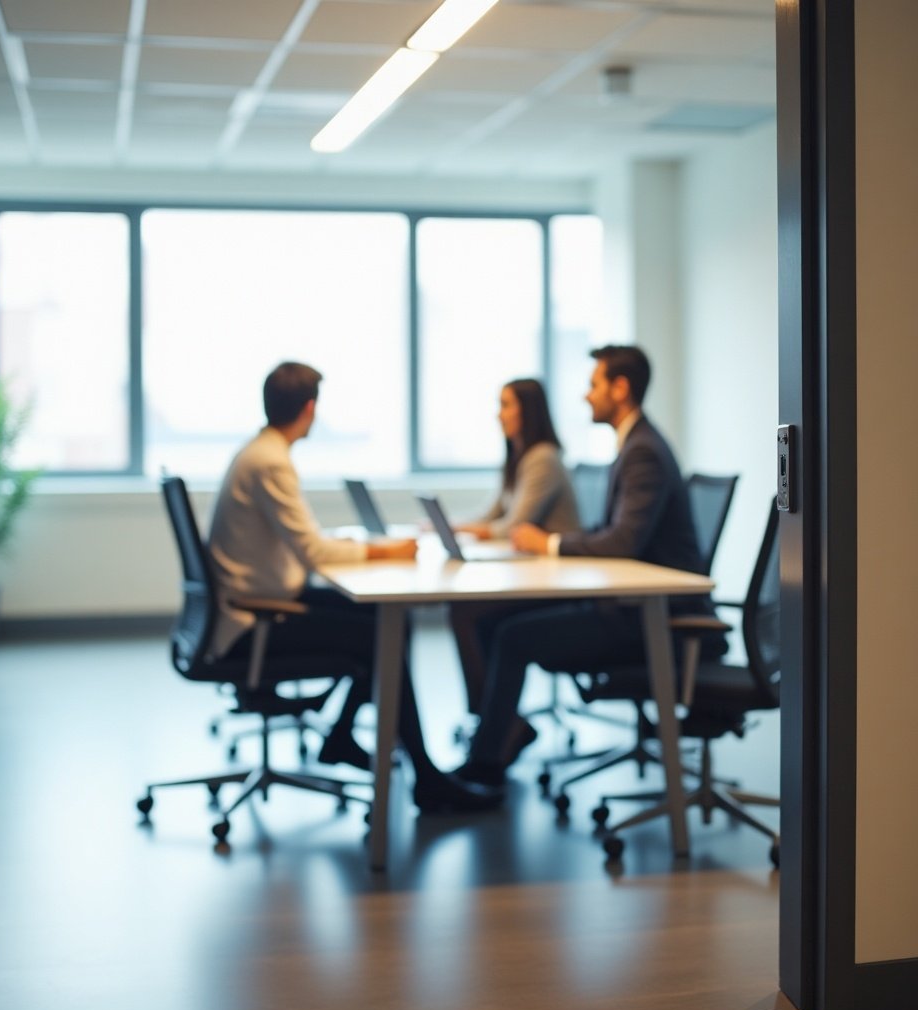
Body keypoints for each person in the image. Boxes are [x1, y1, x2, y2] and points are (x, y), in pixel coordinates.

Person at [207, 361, 499, 813]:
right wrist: (386, 553)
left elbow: (304, 546)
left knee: (384, 620)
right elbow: (314, 555)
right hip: (254, 621)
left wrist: (350, 546)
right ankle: (424, 776)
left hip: (261, 602)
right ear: (309, 408)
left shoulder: (259, 452)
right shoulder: (270, 461)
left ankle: (344, 737)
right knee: (380, 632)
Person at [452, 344, 726, 792]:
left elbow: (622, 541)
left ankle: (486, 763)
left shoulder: (643, 452)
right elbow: (610, 531)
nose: (585, 396)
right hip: (631, 605)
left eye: (593, 384)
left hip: (658, 621)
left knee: (509, 634)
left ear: (620, 389)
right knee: (490, 620)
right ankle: (499, 737)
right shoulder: (635, 445)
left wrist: (551, 543)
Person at [450, 379, 580, 718]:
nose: (499, 415)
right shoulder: (520, 457)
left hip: (555, 581)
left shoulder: (543, 458)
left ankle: (493, 722)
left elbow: (511, 527)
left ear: (528, 410)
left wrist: (472, 529)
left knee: (466, 612)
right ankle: (496, 724)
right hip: (531, 574)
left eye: (506, 405)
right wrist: (454, 525)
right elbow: (494, 515)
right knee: (469, 613)